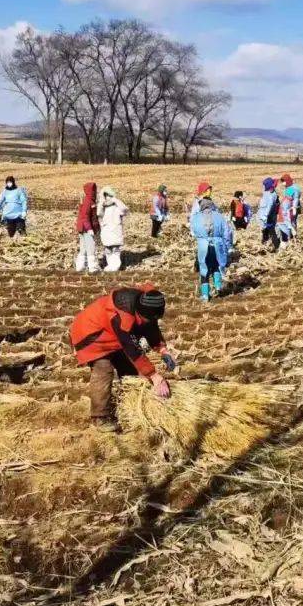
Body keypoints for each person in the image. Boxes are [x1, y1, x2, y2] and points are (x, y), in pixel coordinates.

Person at [69, 285, 176, 432]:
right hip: (91, 334)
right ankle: (100, 417)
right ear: (139, 313)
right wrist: (154, 375)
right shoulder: (121, 315)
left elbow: (150, 327)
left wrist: (163, 350)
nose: (148, 322)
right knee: (104, 369)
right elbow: (131, 348)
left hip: (111, 335)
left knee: (129, 370)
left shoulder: (144, 304)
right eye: (145, 319)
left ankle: (129, 405)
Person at [190, 196, 233, 302]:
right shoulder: (219, 216)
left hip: (203, 246)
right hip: (217, 245)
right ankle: (218, 287)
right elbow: (227, 233)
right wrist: (226, 247)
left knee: (204, 269)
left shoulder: (196, 217)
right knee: (216, 265)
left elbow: (193, 232)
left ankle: (205, 295)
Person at [98, 186, 129, 271]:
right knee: (108, 250)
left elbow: (125, 210)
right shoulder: (103, 207)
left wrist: (116, 200)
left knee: (115, 249)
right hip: (106, 232)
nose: (108, 198)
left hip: (115, 231)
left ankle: (115, 267)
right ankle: (110, 266)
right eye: (106, 195)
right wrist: (101, 202)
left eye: (109, 195)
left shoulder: (117, 206)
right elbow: (99, 213)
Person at [75, 182, 101, 273]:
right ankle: (93, 268)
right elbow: (85, 217)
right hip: (86, 229)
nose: (95, 192)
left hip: (83, 227)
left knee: (84, 248)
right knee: (90, 247)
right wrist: (90, 229)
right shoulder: (88, 201)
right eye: (93, 190)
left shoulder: (89, 200)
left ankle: (80, 267)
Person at [257, 177, 280, 251]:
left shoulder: (271, 194)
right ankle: (264, 243)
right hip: (267, 216)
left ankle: (276, 246)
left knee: (271, 231)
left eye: (264, 185)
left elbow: (269, 206)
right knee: (265, 230)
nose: (263, 186)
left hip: (268, 217)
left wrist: (265, 216)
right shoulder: (267, 192)